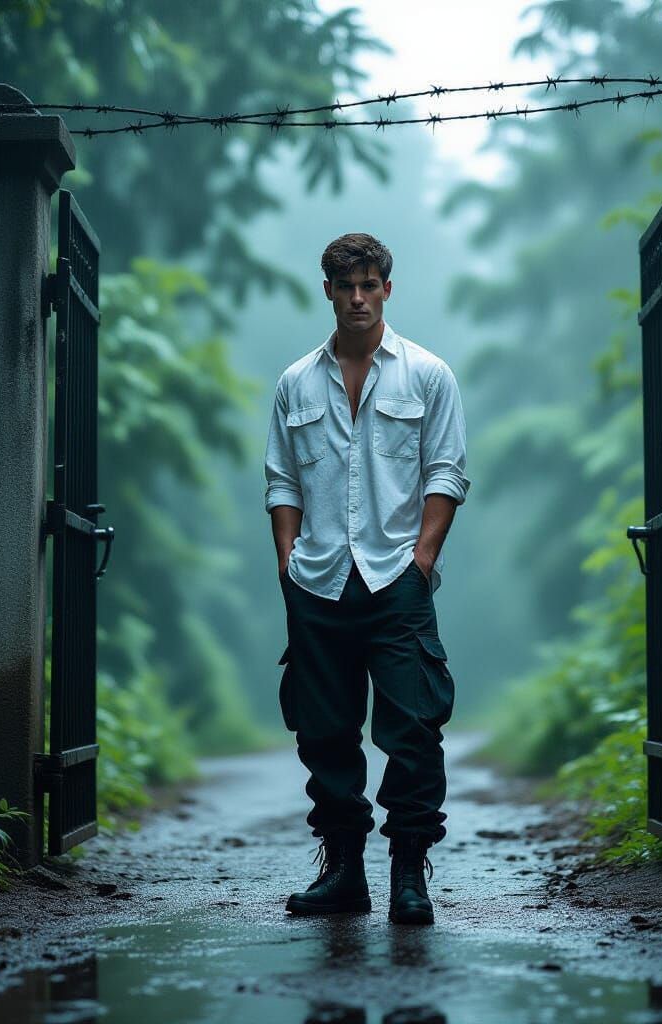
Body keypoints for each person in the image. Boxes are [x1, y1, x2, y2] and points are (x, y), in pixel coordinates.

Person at [263, 232, 471, 925]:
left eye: (369, 285)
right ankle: (344, 872)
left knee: (413, 728)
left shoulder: (428, 375)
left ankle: (409, 874)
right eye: (346, 286)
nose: (358, 298)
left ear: (387, 288)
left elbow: (446, 472)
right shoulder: (296, 381)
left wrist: (422, 561)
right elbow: (282, 480)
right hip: (318, 582)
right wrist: (288, 561)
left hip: (396, 582)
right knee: (324, 733)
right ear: (327, 290)